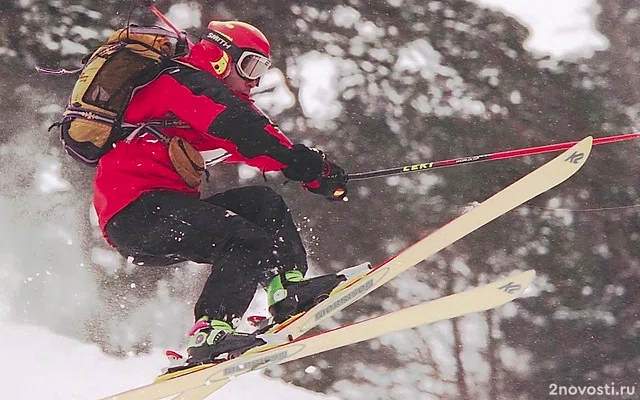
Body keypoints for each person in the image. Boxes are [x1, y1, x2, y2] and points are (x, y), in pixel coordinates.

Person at [93, 20, 348, 364]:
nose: (254, 80)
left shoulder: (210, 99)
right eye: (249, 66)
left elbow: (256, 140)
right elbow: (237, 123)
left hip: (168, 209)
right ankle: (211, 330)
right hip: (135, 214)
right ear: (219, 55)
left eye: (261, 69)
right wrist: (294, 160)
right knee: (244, 238)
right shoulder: (175, 82)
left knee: (263, 203)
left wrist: (314, 171)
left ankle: (285, 288)